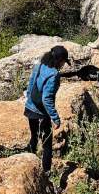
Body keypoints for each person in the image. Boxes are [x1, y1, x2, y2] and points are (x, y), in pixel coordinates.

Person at [24, 45, 69, 173]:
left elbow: (31, 83)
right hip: (41, 112)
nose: (63, 65)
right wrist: (55, 118)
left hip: (30, 107)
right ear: (59, 60)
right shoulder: (54, 75)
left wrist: (29, 99)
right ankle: (46, 171)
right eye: (63, 62)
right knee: (47, 143)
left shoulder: (40, 65)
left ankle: (28, 163)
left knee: (34, 136)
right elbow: (46, 99)